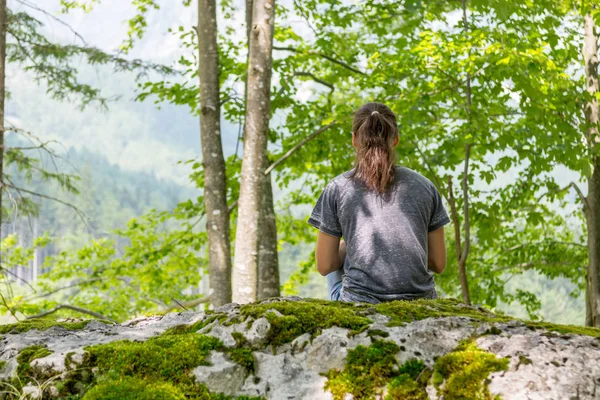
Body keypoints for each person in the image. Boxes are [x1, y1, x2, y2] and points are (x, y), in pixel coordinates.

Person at [307, 102, 450, 303]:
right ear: (396, 139)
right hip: (421, 301)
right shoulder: (425, 186)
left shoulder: (338, 188)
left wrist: (348, 246)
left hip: (360, 303)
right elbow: (438, 263)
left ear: (354, 140)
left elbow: (324, 265)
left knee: (336, 253)